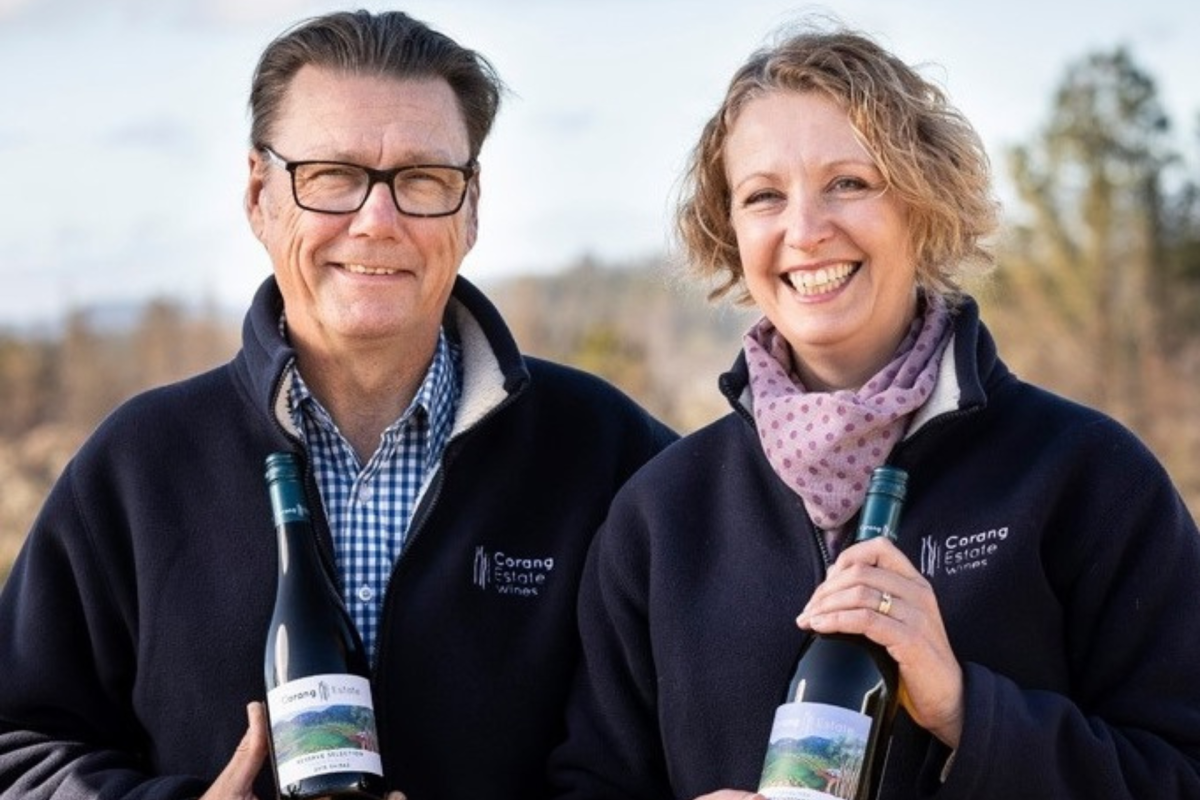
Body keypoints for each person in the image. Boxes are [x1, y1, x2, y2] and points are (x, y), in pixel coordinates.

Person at [0, 10, 675, 800]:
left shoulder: (609, 455)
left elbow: (698, 726)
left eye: (423, 179)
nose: (377, 221)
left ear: (472, 207)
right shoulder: (138, 467)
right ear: (260, 196)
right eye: (332, 176)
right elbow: (18, 747)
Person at [548, 24, 1200, 800]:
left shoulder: (1086, 475)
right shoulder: (660, 517)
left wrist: (966, 710)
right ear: (730, 231)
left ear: (922, 203)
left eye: (849, 183)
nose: (805, 230)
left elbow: (1180, 773)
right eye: (763, 197)